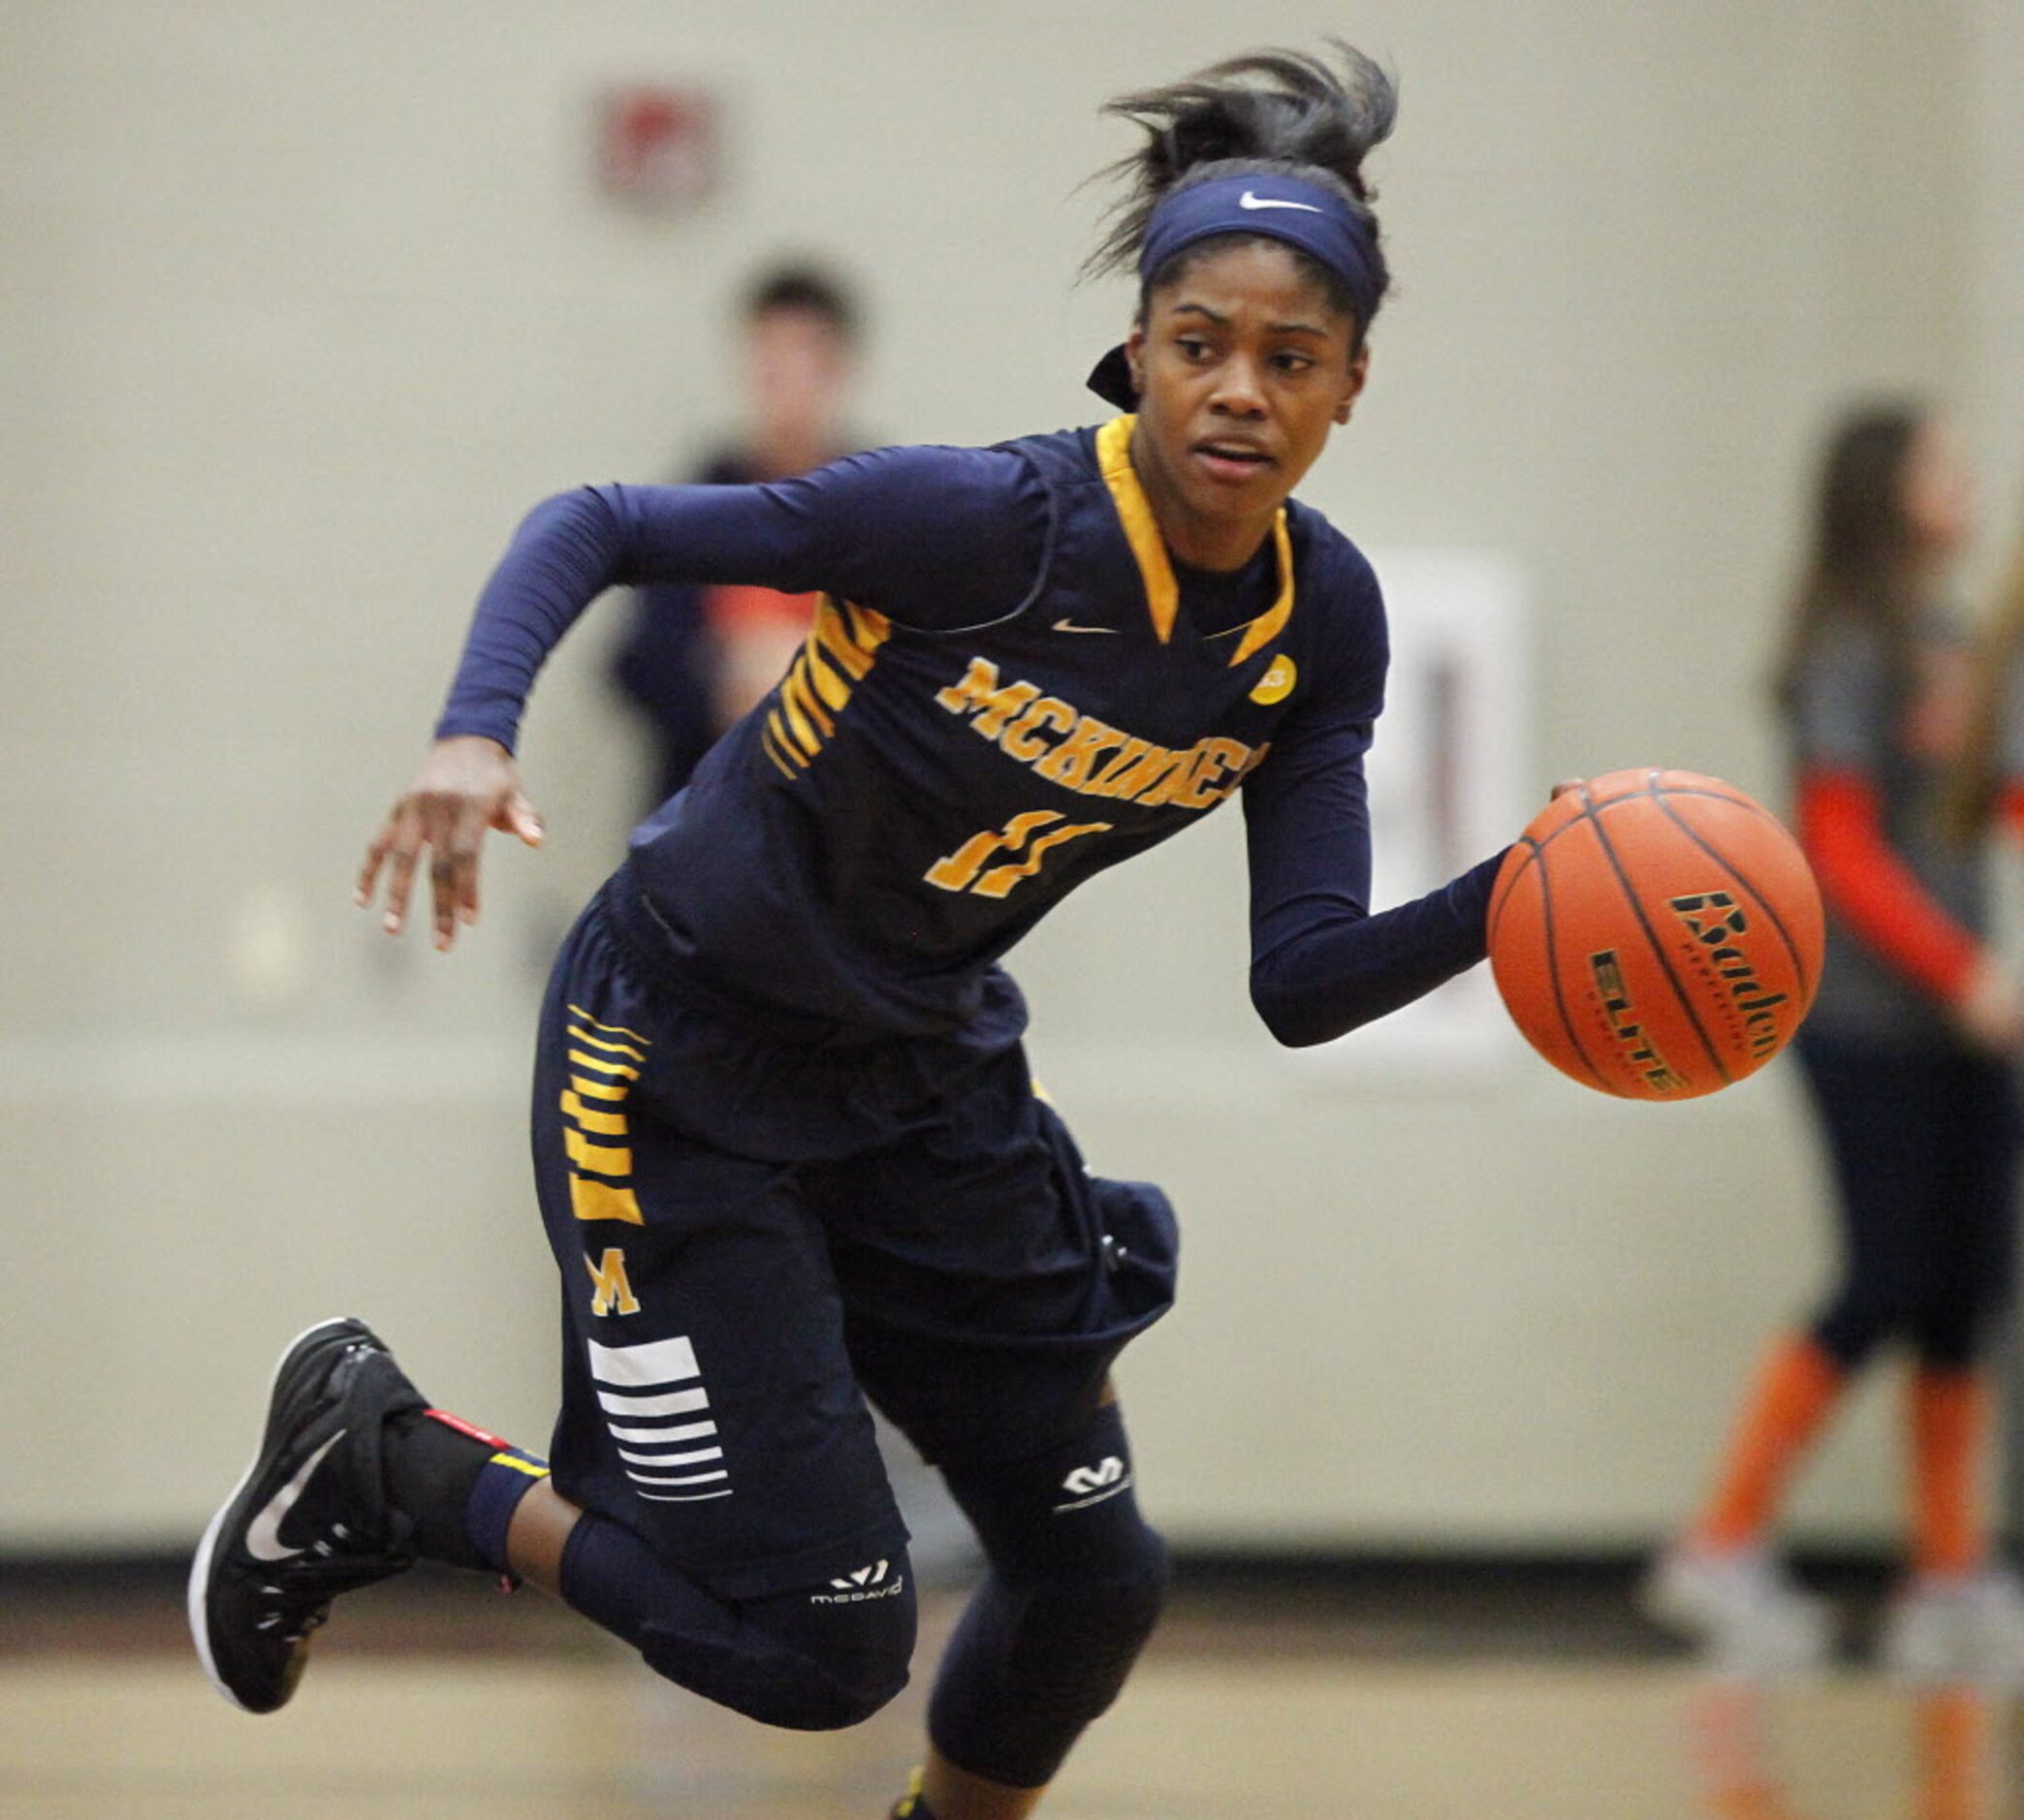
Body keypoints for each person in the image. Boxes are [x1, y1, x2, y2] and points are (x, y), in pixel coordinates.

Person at [191, 46, 1514, 1819]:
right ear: (1134, 348)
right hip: (679, 1054)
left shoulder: (1316, 622)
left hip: (918, 1075)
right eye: (1199, 342)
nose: (1237, 392)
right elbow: (591, 524)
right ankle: (392, 1466)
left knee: (1093, 1576)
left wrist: (1522, 899)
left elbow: (1300, 983)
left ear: (1350, 383)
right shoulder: (981, 522)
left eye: (1289, 359)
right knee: (823, 1643)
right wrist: (470, 728)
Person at [1644, 404, 2024, 1679]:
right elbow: (1840, 843)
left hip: (1972, 1034)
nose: (1963, 481)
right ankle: (1721, 1542)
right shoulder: (1848, 642)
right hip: (1867, 1025)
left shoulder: (1953, 636)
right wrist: (1961, 969)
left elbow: (1997, 799)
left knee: (1967, 1295)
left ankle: (1951, 1577)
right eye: (1941, 461)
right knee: (1885, 1283)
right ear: (1886, 490)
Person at [610, 263, 868, 807]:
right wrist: (722, 681)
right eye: (771, 361)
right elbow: (636, 662)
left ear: (839, 369)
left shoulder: (884, 506)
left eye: (806, 361)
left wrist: (811, 680)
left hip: (836, 811)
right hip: (704, 801)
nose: (786, 382)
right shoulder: (701, 503)